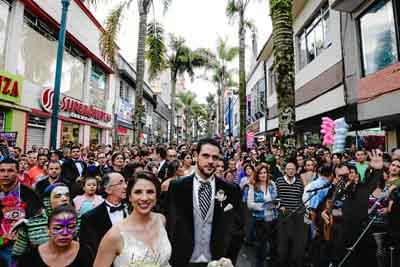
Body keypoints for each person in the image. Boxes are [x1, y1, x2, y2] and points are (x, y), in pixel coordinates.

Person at [166, 138, 244, 267]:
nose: (210, 161)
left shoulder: (231, 190)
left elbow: (238, 228)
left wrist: (229, 258)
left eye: (215, 157)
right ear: (196, 156)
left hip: (218, 262)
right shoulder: (177, 187)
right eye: (206, 156)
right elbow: (170, 223)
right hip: (182, 261)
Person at [94, 171, 170, 267]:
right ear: (129, 197)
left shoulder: (161, 220)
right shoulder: (114, 235)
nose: (144, 198)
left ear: (156, 196)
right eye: (138, 192)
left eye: (150, 192)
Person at [12, 183, 75, 258]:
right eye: (58, 196)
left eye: (67, 195)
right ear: (47, 200)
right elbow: (17, 255)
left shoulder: (78, 220)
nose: (64, 198)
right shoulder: (30, 224)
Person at [17, 205, 93, 267]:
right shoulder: (30, 258)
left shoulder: (86, 254)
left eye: (71, 227)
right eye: (58, 228)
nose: (65, 233)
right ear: (48, 229)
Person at [0, 158, 42, 266]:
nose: (5, 174)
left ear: (18, 172)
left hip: (21, 249)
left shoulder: (29, 194)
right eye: (2, 170)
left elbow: (37, 220)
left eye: (10, 171)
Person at [79, 172, 128, 256]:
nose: (125, 186)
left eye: (125, 182)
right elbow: (90, 250)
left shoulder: (132, 209)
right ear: (108, 189)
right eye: (120, 183)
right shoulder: (90, 218)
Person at [275, 162, 307, 267]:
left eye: (293, 169)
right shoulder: (279, 181)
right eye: (289, 169)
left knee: (295, 243)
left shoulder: (298, 182)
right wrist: (280, 206)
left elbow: (301, 198)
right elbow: (276, 197)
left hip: (296, 217)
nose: (291, 171)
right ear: (285, 170)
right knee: (283, 243)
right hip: (283, 216)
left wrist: (302, 211)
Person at [247, 163, 279, 267]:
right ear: (257, 175)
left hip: (273, 219)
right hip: (260, 220)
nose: (263, 175)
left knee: (274, 247)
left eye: (265, 173)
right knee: (261, 247)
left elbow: (276, 200)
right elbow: (250, 204)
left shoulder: (272, 184)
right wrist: (265, 205)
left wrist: (276, 204)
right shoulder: (253, 186)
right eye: (260, 173)